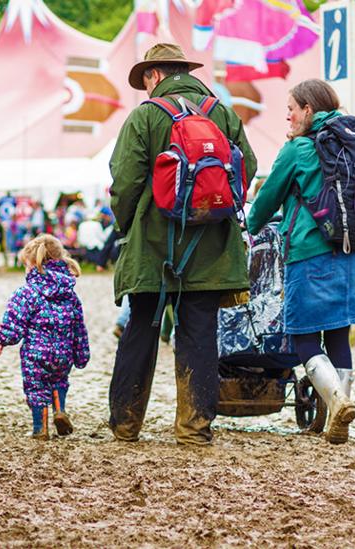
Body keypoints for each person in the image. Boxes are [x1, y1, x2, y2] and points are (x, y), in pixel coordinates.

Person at [107, 43, 256, 446]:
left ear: (154, 75)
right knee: (199, 335)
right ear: (183, 71)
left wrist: (129, 228)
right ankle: (193, 428)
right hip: (211, 247)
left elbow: (124, 182)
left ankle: (125, 424)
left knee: (141, 328)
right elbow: (250, 166)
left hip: (153, 246)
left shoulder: (145, 116)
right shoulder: (221, 112)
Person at [246, 79, 355, 444]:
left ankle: (337, 401)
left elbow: (266, 201)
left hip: (310, 253)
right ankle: (334, 414)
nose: (288, 115)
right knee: (339, 331)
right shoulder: (353, 140)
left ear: (308, 110)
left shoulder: (297, 149)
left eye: (292, 108)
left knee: (302, 337)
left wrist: (248, 226)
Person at [0, 234, 90, 440]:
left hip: (36, 354)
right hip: (64, 354)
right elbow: (79, 327)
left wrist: (2, 340)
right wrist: (81, 354)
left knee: (36, 387)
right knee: (60, 380)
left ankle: (40, 428)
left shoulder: (27, 292)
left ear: (33, 265)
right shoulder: (70, 294)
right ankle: (60, 410)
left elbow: (14, 321)